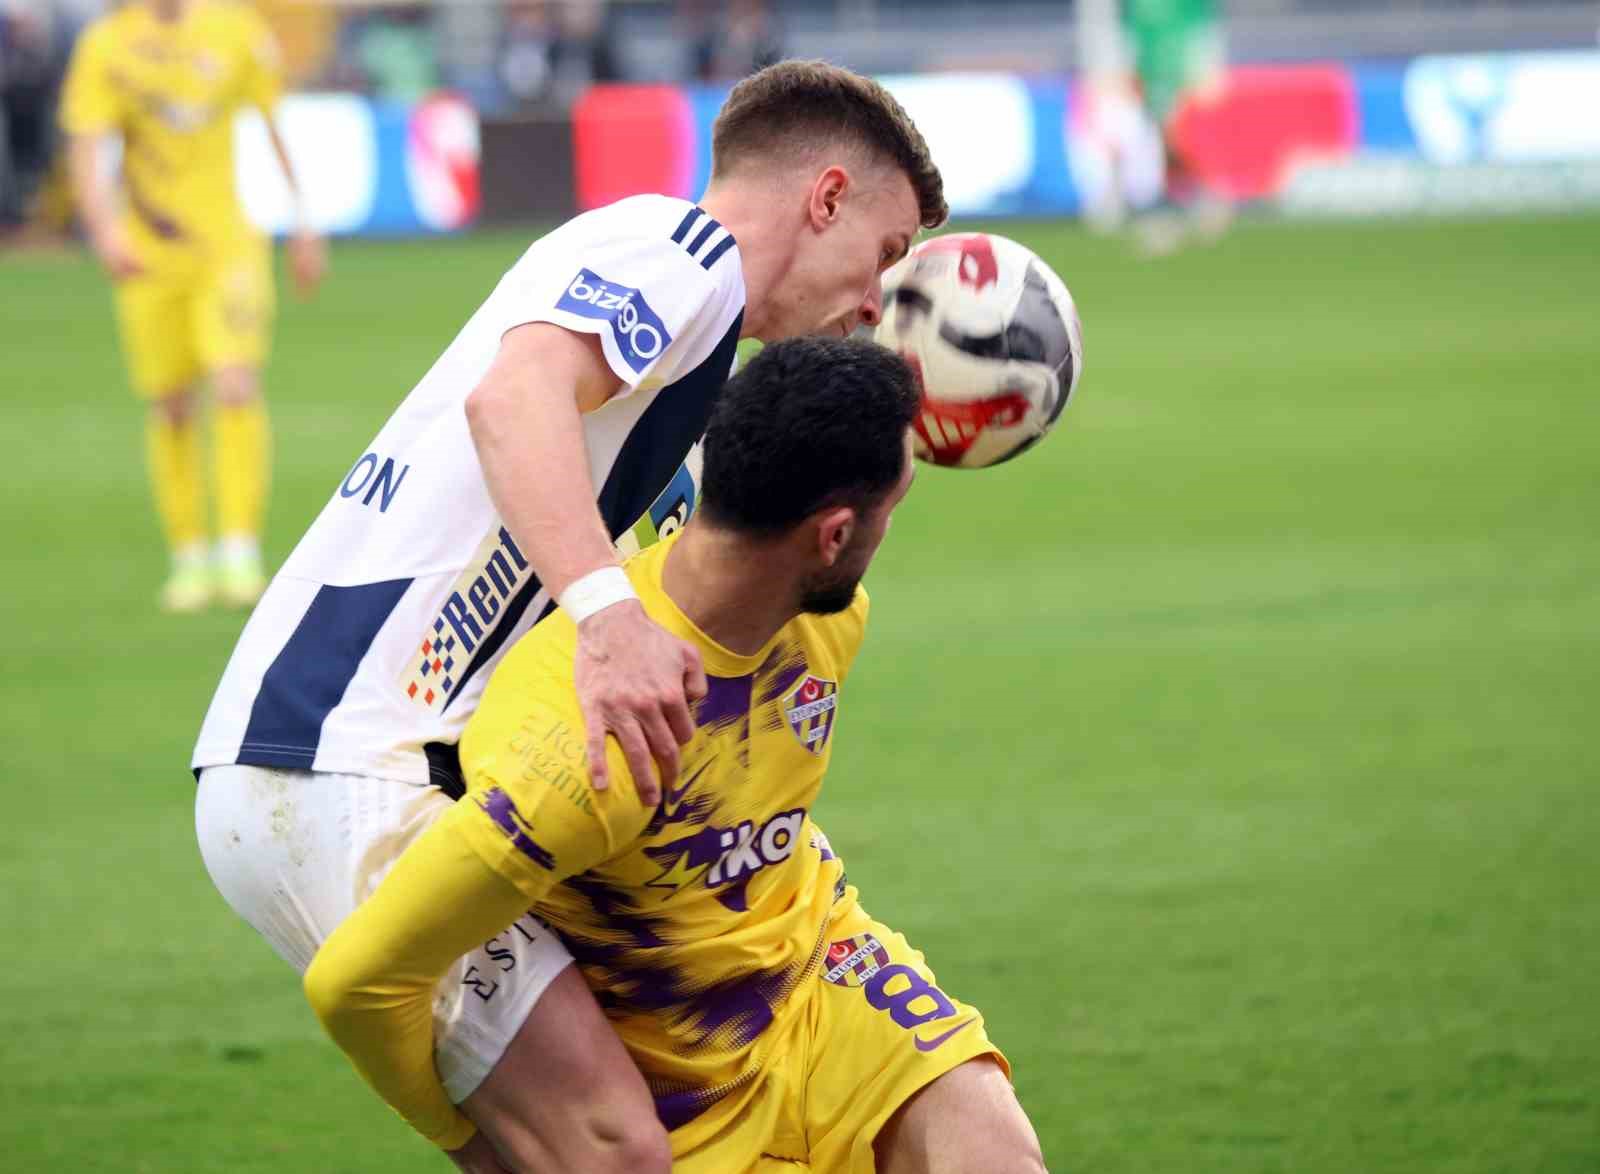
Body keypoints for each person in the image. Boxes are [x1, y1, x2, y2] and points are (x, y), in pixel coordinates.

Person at [194, 60, 946, 1173]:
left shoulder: (693, 363)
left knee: (580, 1144)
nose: (874, 304)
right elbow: (514, 398)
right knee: (615, 1145)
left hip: (363, 760)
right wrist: (605, 615)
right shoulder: (674, 253)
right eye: (884, 255)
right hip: (342, 756)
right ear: (825, 197)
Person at [303, 336, 1048, 1173]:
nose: (892, 523)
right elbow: (357, 983)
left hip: (823, 981)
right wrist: (476, 1142)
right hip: (682, 1087)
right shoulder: (582, 755)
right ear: (834, 535)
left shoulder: (828, 614)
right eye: (893, 502)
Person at [59, 0, 327, 611]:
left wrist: (305, 220)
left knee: (234, 383)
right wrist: (104, 228)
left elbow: (273, 121)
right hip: (151, 253)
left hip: (227, 247)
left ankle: (239, 548)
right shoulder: (108, 45)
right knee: (171, 402)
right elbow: (87, 141)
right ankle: (189, 555)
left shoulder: (234, 30)